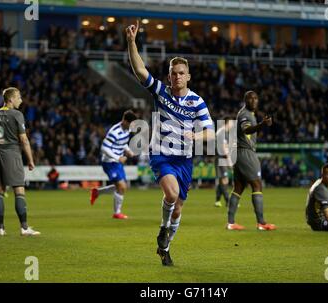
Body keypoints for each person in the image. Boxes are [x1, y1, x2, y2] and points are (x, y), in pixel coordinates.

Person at [126, 20, 215, 266]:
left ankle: (165, 247)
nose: (177, 77)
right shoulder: (161, 92)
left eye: (181, 73)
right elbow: (140, 71)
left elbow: (211, 132)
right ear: (169, 76)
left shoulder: (197, 101)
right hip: (162, 154)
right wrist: (132, 43)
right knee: (171, 193)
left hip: (185, 160)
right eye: (173, 73)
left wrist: (197, 137)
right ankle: (163, 228)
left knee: (178, 209)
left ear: (188, 76)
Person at [0, 87, 40, 236]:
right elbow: (24, 139)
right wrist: (30, 160)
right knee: (19, 190)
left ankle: (1, 228)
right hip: (11, 153)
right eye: (18, 97)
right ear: (11, 99)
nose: (21, 100)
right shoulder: (17, 114)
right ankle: (24, 228)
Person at [226, 91, 276, 231]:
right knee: (257, 185)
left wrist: (262, 124)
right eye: (250, 98)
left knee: (238, 188)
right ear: (245, 100)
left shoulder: (249, 114)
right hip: (246, 153)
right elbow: (246, 130)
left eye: (255, 98)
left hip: (239, 153)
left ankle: (231, 222)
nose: (253, 100)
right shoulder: (245, 115)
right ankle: (261, 222)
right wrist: (262, 125)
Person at [90, 110, 137, 220]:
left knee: (121, 187)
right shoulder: (114, 132)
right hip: (109, 162)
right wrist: (118, 157)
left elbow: (122, 142)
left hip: (117, 162)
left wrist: (128, 150)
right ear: (125, 121)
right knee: (121, 186)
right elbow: (104, 148)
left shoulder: (127, 129)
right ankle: (117, 213)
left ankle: (97, 192)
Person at [214, 117, 234, 207]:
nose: (233, 125)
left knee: (223, 180)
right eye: (232, 123)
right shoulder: (222, 132)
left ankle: (217, 200)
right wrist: (229, 160)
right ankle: (228, 201)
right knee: (224, 179)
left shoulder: (224, 132)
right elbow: (223, 147)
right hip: (221, 158)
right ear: (228, 122)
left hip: (222, 158)